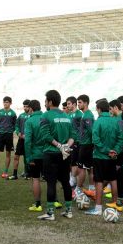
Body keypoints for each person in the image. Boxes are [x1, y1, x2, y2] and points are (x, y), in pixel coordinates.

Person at [37, 90, 76, 221]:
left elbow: (45, 135)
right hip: (65, 154)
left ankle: (50, 213)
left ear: (50, 101)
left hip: (51, 153)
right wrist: (66, 146)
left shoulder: (46, 115)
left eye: (46, 100)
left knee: (51, 182)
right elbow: (73, 136)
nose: (45, 102)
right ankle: (69, 211)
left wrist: (59, 146)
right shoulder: (67, 116)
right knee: (65, 181)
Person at [85, 99, 123, 215]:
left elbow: (95, 139)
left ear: (99, 109)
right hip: (112, 157)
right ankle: (115, 203)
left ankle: (98, 208)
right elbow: (120, 138)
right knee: (113, 179)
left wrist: (107, 151)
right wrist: (114, 151)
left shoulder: (98, 122)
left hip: (100, 156)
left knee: (99, 181)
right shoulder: (115, 121)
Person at [24, 100, 44, 211]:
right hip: (47, 153)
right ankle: (54, 202)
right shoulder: (46, 118)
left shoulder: (30, 121)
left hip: (35, 155)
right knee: (51, 179)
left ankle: (37, 204)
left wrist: (29, 158)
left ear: (31, 108)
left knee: (36, 179)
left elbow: (27, 141)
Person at [75, 94, 95, 198]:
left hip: (86, 145)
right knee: (90, 168)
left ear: (86, 103)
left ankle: (78, 189)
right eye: (78, 102)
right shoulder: (87, 114)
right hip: (88, 145)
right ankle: (92, 190)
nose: (78, 104)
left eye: (80, 102)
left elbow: (92, 131)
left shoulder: (87, 115)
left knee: (81, 168)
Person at [8, 99, 30, 180]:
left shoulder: (32, 116)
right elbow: (16, 126)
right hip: (21, 140)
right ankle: (14, 174)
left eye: (27, 106)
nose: (25, 108)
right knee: (16, 156)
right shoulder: (21, 116)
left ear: (30, 107)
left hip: (29, 140)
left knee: (27, 158)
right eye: (24, 106)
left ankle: (27, 174)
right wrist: (18, 133)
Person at [66, 96, 83, 190]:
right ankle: (72, 179)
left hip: (76, 141)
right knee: (69, 160)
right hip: (69, 141)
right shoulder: (69, 114)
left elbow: (82, 129)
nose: (67, 105)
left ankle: (73, 181)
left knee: (74, 161)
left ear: (74, 104)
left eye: (69, 103)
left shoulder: (79, 114)